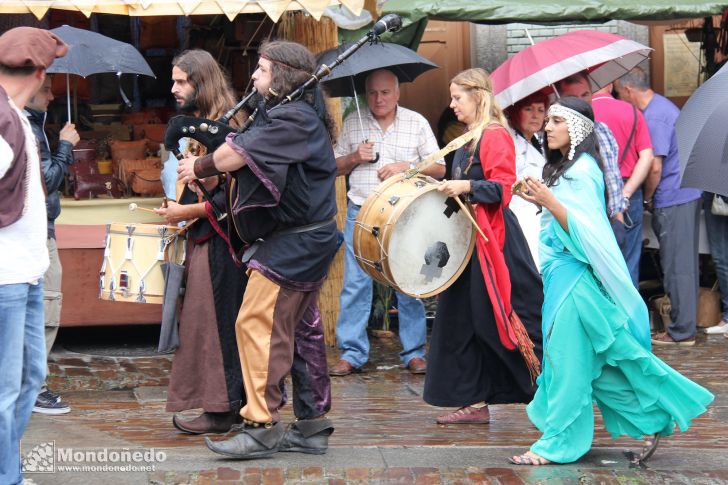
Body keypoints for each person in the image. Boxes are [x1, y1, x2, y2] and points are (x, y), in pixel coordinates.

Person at [509, 96, 713, 465]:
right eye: (548, 120)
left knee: (566, 362)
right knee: (602, 363)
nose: (547, 126)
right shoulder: (564, 168)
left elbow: (588, 232)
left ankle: (557, 445)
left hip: (574, 282)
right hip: (561, 279)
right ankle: (655, 417)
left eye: (556, 120)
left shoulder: (582, 170)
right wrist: (540, 199)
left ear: (576, 128)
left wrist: (549, 201)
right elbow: (564, 222)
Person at [177, 40, 339, 459]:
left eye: (262, 69)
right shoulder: (287, 116)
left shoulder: (295, 118)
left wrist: (197, 166)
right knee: (299, 332)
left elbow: (233, 155)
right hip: (301, 239)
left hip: (297, 243)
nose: (253, 76)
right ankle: (311, 425)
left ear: (281, 75)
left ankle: (260, 424)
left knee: (256, 324)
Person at [424, 68, 543, 425]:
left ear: (477, 96)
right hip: (469, 242)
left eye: (457, 97)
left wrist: (465, 188)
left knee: (508, 319)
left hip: (495, 242)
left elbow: (503, 189)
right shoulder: (468, 138)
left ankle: (551, 388)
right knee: (459, 321)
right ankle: (474, 401)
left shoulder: (494, 135)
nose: (452, 105)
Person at [154, 49, 249, 434]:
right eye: (174, 80)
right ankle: (220, 404)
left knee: (217, 324)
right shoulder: (198, 124)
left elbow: (235, 197)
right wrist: (178, 206)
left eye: (182, 81)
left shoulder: (230, 124)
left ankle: (223, 407)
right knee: (202, 323)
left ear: (201, 81)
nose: (174, 88)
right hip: (203, 237)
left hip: (226, 242)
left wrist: (185, 213)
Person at [331, 68, 445, 377]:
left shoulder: (416, 122)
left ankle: (414, 352)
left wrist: (407, 167)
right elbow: (334, 167)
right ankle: (352, 353)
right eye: (372, 92)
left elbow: (440, 167)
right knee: (356, 284)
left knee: (408, 281)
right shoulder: (354, 122)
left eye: (385, 92)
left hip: (405, 216)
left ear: (397, 94)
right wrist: (355, 156)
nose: (378, 99)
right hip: (362, 213)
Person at [0, 26, 68, 485]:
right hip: (4, 275)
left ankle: (7, 467)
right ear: (40, 72)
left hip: (25, 270)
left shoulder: (17, 115)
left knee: (29, 378)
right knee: (6, 389)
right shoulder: (3, 120)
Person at [615, 68, 702, 346]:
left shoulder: (654, 116)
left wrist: (647, 198)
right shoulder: (660, 107)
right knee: (682, 264)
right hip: (682, 194)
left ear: (628, 89)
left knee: (678, 266)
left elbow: (654, 166)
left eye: (618, 93)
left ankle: (681, 330)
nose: (619, 99)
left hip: (674, 196)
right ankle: (683, 326)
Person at [556, 72, 653, 280]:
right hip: (575, 222)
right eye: (576, 98)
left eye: (585, 94)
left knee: (623, 275)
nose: (583, 102)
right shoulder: (554, 135)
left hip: (610, 208)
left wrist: (617, 216)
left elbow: (611, 174)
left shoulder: (601, 130)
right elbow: (647, 159)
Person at [24, 74, 79, 416]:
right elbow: (46, 180)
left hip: (36, 229)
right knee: (46, 306)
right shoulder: (30, 128)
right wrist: (66, 145)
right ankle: (35, 386)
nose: (52, 94)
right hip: (38, 232)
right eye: (45, 88)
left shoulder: (32, 124)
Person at [504, 91, 549, 266]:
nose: (535, 115)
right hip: (520, 216)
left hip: (540, 217)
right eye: (528, 109)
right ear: (515, 112)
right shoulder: (509, 140)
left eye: (540, 109)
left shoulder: (540, 141)